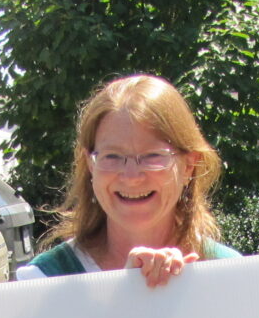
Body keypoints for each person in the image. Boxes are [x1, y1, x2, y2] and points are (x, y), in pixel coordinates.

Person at [15, 74, 241, 287]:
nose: (132, 176)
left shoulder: (230, 273)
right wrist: (127, 293)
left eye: (153, 156)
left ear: (189, 166)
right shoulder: (44, 281)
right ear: (90, 164)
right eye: (112, 156)